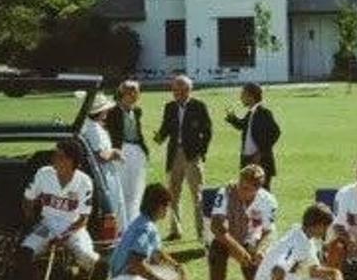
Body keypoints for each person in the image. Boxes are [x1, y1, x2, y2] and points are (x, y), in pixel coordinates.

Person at [17, 137, 100, 280]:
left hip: (73, 227)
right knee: (25, 253)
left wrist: (63, 237)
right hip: (46, 225)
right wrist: (32, 223)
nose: (53, 158)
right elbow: (27, 200)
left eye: (59, 155)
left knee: (89, 257)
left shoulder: (84, 181)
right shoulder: (44, 173)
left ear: (71, 160)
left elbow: (83, 219)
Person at [108, 183, 190, 280]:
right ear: (159, 207)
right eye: (166, 206)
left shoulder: (143, 221)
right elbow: (136, 263)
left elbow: (156, 255)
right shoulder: (146, 228)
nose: (167, 211)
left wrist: (176, 268)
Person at [205, 164, 278, 280]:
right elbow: (216, 226)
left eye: (247, 189)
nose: (240, 190)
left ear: (257, 190)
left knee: (255, 257)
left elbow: (268, 232)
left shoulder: (268, 200)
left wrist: (260, 250)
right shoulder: (226, 192)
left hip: (252, 240)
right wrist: (236, 248)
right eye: (240, 185)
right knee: (216, 249)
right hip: (229, 237)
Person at [154, 75, 212, 240]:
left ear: (188, 90)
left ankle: (201, 232)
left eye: (179, 90)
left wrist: (201, 152)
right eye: (174, 90)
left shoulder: (199, 106)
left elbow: (207, 131)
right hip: (174, 155)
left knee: (197, 195)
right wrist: (159, 137)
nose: (175, 93)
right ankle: (175, 230)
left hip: (193, 156)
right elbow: (165, 128)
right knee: (173, 194)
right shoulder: (170, 107)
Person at [105, 80, 147, 231]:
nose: (134, 95)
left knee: (136, 188)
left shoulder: (137, 111)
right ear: (123, 93)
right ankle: (120, 226)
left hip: (137, 151)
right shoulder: (112, 111)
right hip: (120, 151)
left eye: (136, 92)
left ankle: (133, 223)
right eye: (131, 92)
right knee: (121, 188)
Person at [80, 92, 125, 228]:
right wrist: (115, 153)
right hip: (103, 172)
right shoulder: (94, 129)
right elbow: (101, 155)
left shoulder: (89, 125)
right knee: (113, 202)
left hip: (102, 171)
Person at [224, 82, 280, 189]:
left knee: (262, 193)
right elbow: (243, 126)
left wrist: (261, 152)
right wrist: (232, 119)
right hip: (247, 159)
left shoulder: (264, 112)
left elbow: (275, 133)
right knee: (248, 192)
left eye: (243, 94)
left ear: (251, 96)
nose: (240, 98)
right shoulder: (251, 112)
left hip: (260, 160)